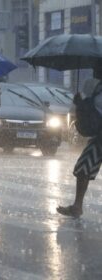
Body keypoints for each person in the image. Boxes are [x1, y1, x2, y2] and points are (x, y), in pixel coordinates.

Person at [57, 67, 102, 218]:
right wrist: (79, 103)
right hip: (99, 138)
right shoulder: (94, 87)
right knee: (83, 167)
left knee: (84, 167)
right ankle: (77, 206)